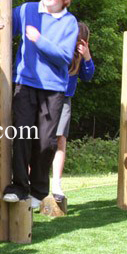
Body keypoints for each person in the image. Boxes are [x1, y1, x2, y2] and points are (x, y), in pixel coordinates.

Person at [0, 0, 78, 209]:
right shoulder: (27, 10)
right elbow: (1, 23)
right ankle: (19, 186)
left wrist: (39, 40)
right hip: (25, 83)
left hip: (53, 88)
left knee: (46, 142)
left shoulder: (70, 23)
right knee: (23, 135)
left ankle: (38, 190)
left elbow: (65, 57)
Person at [50, 22, 94, 202]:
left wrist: (87, 57)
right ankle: (30, 183)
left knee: (60, 141)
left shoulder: (79, 58)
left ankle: (56, 184)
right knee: (39, 141)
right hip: (46, 96)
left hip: (64, 99)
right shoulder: (56, 47)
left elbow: (88, 76)